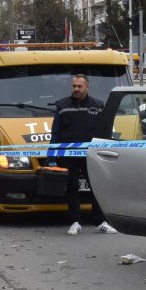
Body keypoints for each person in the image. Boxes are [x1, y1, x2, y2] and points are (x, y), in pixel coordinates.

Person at [51, 74, 117, 235]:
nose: (76, 89)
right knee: (72, 188)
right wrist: (52, 157)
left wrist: (105, 152)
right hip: (69, 155)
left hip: (91, 154)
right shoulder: (63, 106)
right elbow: (56, 133)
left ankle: (100, 221)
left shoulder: (98, 106)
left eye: (79, 86)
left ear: (87, 87)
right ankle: (75, 222)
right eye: (74, 86)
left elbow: (104, 132)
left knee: (96, 187)